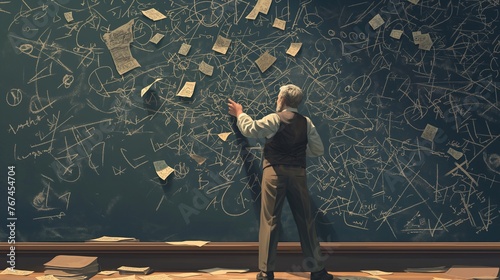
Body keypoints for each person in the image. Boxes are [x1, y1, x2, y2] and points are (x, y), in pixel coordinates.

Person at [228, 84, 333, 280]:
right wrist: (298, 152)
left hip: (275, 172)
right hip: (298, 175)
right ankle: (318, 270)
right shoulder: (306, 122)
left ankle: (266, 272)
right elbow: (318, 149)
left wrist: (240, 113)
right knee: (306, 221)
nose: (277, 100)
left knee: (270, 220)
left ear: (282, 100)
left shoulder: (274, 118)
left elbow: (250, 129)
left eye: (278, 97)